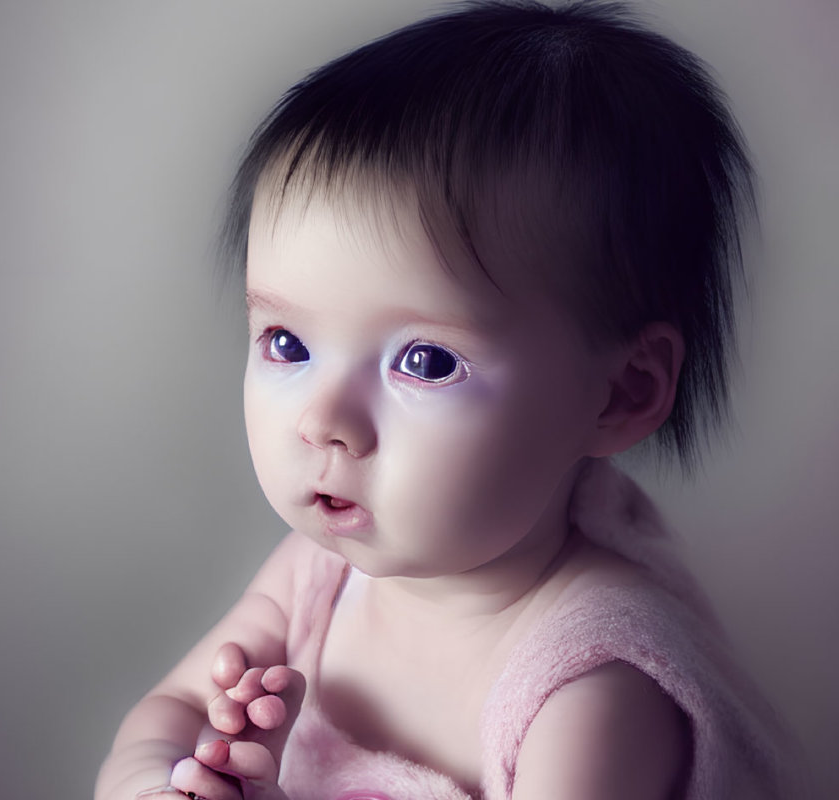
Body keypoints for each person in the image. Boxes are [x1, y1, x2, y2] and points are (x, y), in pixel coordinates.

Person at [95, 2, 796, 798]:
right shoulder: (316, 576)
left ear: (620, 393)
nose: (324, 420)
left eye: (425, 361)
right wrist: (160, 784)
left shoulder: (593, 694)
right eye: (287, 343)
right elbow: (173, 711)